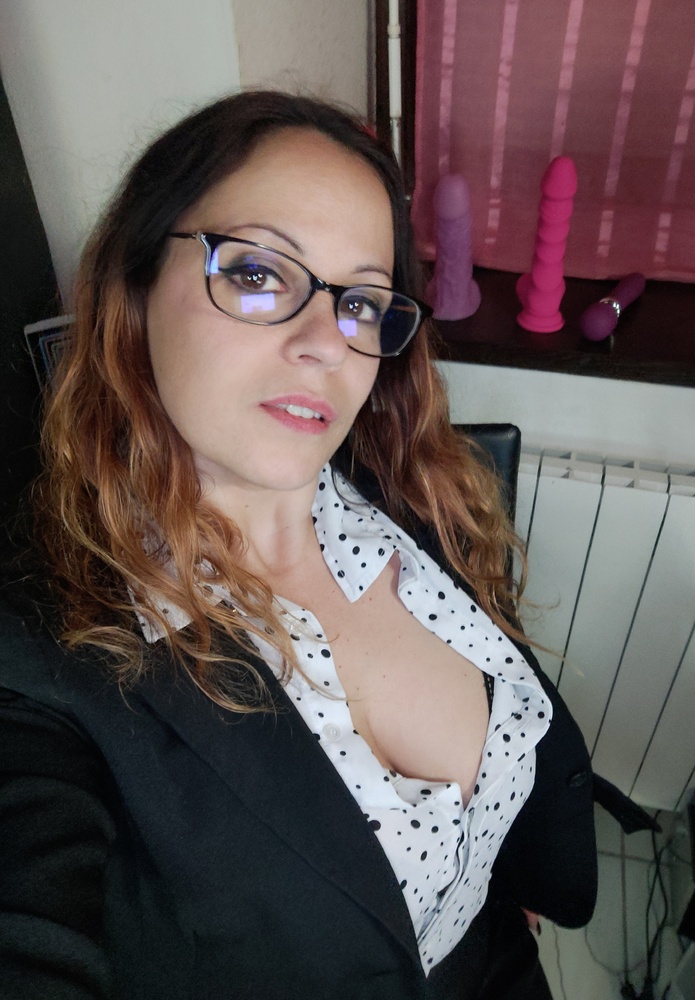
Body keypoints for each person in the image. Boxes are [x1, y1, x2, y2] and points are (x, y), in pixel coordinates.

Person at [0, 90, 609, 999]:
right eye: (256, 272)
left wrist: (489, 869)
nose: (326, 343)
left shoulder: (418, 490)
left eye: (360, 301)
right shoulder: (38, 667)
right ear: (133, 283)